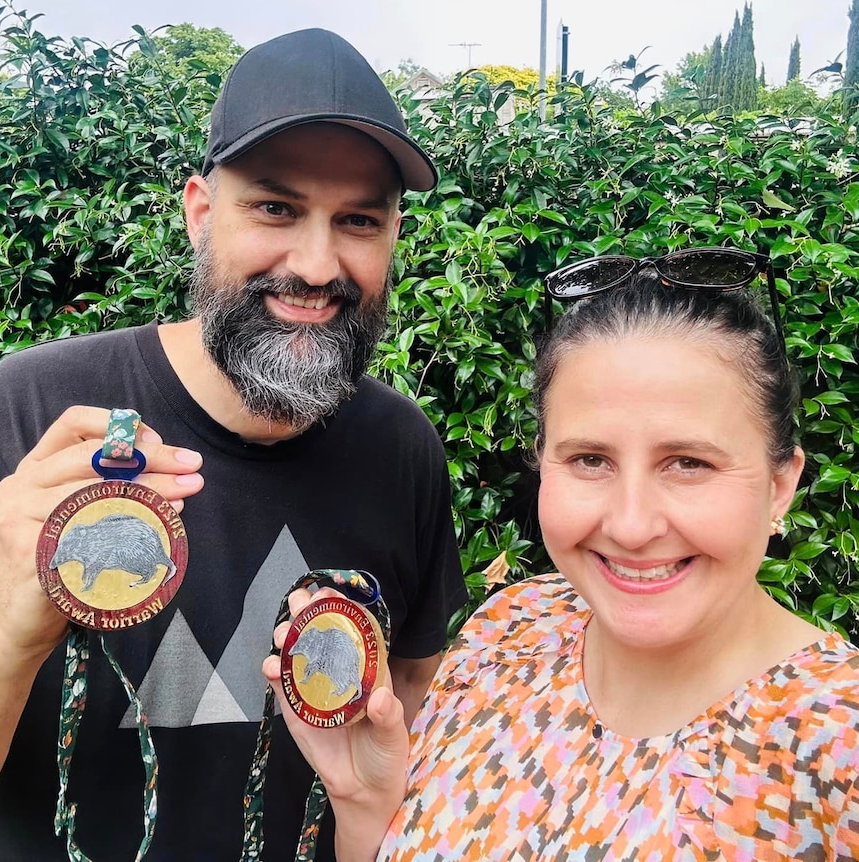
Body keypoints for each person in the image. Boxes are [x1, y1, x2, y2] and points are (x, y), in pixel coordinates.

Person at [0, 28, 466, 861]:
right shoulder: (27, 410)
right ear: (200, 212)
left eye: (358, 219)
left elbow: (412, 696)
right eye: (276, 207)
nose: (318, 265)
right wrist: (10, 635)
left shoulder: (403, 449)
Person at [266, 249, 859, 861]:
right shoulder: (508, 632)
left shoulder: (835, 739)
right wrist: (364, 803)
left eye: (689, 464)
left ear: (780, 484)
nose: (631, 526)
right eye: (590, 460)